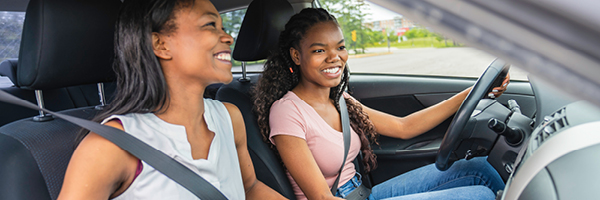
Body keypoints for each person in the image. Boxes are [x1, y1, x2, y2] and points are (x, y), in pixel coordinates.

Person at [253, 8, 507, 200]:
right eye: (319, 50)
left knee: (477, 168)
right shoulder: (287, 112)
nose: (335, 57)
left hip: (363, 193)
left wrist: (473, 92)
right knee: (480, 196)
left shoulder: (338, 97)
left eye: (340, 47)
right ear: (297, 56)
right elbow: (321, 197)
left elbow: (403, 127)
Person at [57, 0, 286, 199]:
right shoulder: (110, 145)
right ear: (161, 44)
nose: (227, 37)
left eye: (223, 27)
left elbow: (250, 188)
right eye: (209, 25)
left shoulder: (229, 117)